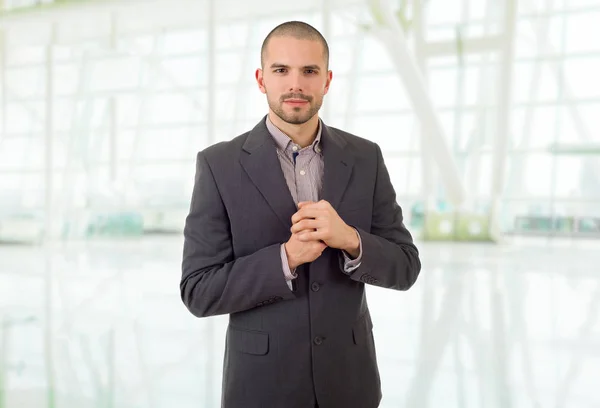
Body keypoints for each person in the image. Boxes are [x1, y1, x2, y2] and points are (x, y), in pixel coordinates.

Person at [180, 20, 421, 408]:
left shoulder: (365, 157)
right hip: (261, 388)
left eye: (309, 71)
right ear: (261, 79)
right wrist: (285, 259)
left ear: (327, 80)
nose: (296, 84)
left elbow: (407, 267)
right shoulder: (218, 165)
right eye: (281, 70)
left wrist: (351, 240)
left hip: (351, 383)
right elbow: (197, 290)